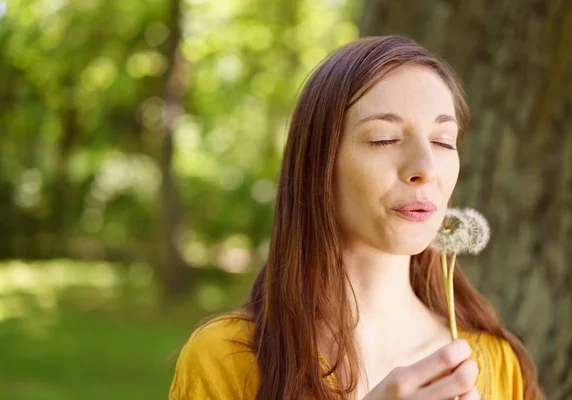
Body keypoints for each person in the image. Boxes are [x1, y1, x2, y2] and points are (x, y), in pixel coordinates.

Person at [169, 36, 545, 400]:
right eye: (384, 138)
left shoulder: (498, 365)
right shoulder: (225, 359)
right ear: (319, 165)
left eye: (444, 141)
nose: (425, 168)